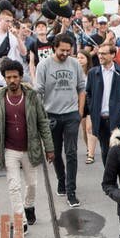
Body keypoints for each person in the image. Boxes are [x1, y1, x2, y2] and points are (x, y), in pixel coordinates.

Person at [0, 58, 53, 228]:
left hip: (30, 149)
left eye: (15, 77)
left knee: (32, 184)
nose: (12, 81)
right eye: (8, 77)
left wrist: (49, 148)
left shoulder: (32, 96)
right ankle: (20, 219)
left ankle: (29, 206)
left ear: (21, 77)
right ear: (4, 78)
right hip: (9, 150)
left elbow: (43, 122)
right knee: (13, 186)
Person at [36, 33, 87, 207]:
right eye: (62, 50)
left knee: (71, 152)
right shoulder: (44, 65)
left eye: (68, 50)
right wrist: (42, 116)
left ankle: (71, 190)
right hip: (51, 115)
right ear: (54, 48)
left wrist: (79, 112)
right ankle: (61, 179)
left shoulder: (75, 64)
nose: (65, 53)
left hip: (71, 113)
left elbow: (81, 88)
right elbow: (38, 92)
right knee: (55, 152)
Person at [86, 39, 120, 162]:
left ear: (112, 55)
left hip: (116, 119)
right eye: (99, 53)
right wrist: (92, 109)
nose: (100, 56)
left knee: (118, 149)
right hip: (101, 119)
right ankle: (108, 179)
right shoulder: (93, 73)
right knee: (105, 151)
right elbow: (89, 94)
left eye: (104, 54)